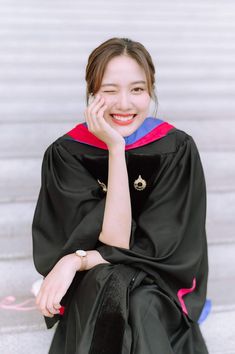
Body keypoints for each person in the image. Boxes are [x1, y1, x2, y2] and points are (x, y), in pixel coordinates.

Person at [32, 37, 209, 354]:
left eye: (137, 90)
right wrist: (116, 149)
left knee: (139, 301)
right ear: (92, 93)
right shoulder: (67, 154)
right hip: (99, 284)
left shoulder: (176, 149)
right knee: (110, 288)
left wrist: (78, 259)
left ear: (151, 91)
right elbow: (116, 244)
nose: (124, 104)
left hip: (158, 280)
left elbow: (166, 250)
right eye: (110, 90)